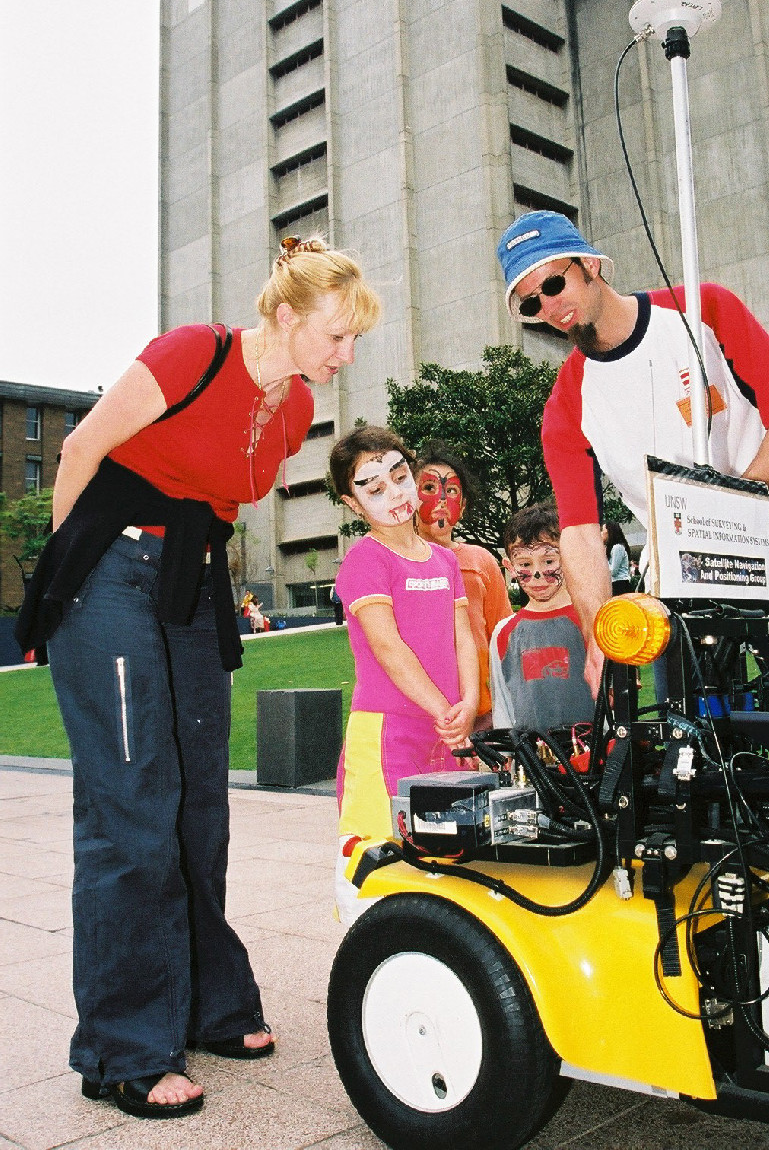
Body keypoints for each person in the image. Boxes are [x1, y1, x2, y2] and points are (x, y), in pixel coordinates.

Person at [16, 235, 380, 1119]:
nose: (347, 355)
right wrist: (66, 587)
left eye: (355, 340)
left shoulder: (293, 411)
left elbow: (216, 508)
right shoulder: (191, 353)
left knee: (198, 805)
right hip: (108, 572)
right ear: (285, 315)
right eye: (337, 335)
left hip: (189, 581)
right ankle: (123, 1047)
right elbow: (79, 454)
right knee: (130, 805)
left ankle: (205, 1000)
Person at [496, 210, 769, 714]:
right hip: (676, 590)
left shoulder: (703, 308)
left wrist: (731, 516)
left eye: (554, 284)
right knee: (695, 762)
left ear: (589, 265)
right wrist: (598, 633)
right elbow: (579, 532)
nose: (549, 306)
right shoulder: (566, 403)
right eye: (532, 303)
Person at [330, 426, 479, 923]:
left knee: (446, 852)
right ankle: (367, 963)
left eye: (399, 477)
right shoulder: (364, 560)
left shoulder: (444, 558)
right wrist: (442, 707)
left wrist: (470, 703)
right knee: (374, 855)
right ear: (354, 504)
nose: (394, 493)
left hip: (446, 733)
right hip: (388, 731)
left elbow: (464, 636)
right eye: (374, 488)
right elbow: (388, 646)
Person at [414, 441, 511, 729]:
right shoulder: (398, 561)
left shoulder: (481, 561)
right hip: (422, 708)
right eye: (429, 488)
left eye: (452, 491)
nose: (442, 499)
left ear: (464, 505)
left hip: (481, 710)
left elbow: (501, 635)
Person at [490, 501, 592, 732]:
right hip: (530, 760)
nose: (537, 573)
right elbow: (503, 707)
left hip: (593, 757)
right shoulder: (503, 633)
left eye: (548, 561)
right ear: (510, 567)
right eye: (525, 563)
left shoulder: (592, 623)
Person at [602, 521, 636, 595]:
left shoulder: (617, 547)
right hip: (615, 584)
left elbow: (613, 571)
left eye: (603, 530)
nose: (601, 533)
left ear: (609, 532)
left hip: (620, 585)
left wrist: (603, 557)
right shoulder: (611, 548)